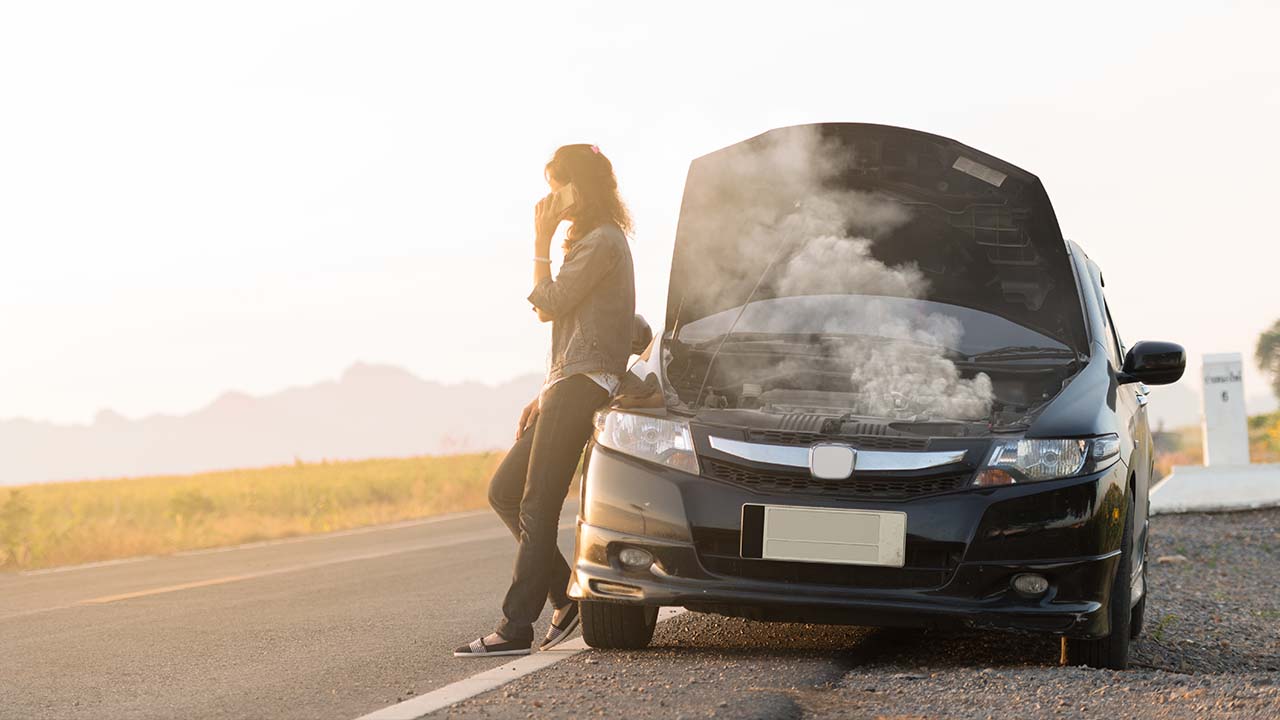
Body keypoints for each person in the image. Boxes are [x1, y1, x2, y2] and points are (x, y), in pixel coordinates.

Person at [455, 144, 636, 657]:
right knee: (505, 491)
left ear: (580, 186)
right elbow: (572, 325)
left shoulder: (602, 241)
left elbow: (549, 305)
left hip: (582, 385)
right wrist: (546, 389)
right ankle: (564, 595)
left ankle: (516, 628)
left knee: (537, 502)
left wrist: (540, 239)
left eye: (557, 186)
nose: (550, 198)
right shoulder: (592, 241)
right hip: (566, 383)